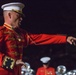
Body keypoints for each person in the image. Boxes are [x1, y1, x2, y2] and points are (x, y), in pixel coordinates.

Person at [0, 2, 76, 75]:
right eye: (18, 15)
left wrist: (65, 38)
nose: (21, 19)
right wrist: (13, 62)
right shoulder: (1, 32)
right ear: (9, 15)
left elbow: (40, 38)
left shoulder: (21, 33)